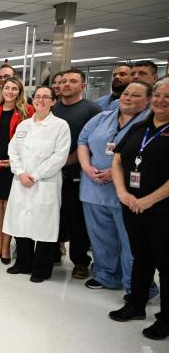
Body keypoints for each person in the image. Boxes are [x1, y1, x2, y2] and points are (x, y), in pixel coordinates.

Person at [108, 78, 169, 340]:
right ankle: (136, 304)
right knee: (140, 256)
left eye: (167, 97)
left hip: (162, 208)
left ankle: (166, 319)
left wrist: (149, 200)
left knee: (166, 264)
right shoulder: (139, 128)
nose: (160, 100)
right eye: (157, 95)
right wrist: (122, 192)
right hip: (132, 205)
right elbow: (118, 160)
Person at [78, 82, 152, 294]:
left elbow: (147, 155)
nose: (127, 98)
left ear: (147, 100)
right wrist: (87, 167)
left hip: (128, 191)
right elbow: (83, 141)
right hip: (93, 187)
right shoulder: (102, 118)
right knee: (101, 237)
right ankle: (106, 275)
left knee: (131, 242)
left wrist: (115, 171)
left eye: (135, 95)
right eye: (126, 93)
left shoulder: (148, 124)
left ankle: (135, 287)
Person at [3, 86, 71, 282]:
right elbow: (12, 150)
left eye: (45, 97)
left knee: (44, 226)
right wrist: (21, 172)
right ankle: (23, 263)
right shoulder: (24, 125)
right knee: (21, 222)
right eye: (37, 97)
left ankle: (42, 269)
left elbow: (60, 156)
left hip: (45, 182)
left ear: (53, 101)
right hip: (21, 181)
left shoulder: (60, 126)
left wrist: (35, 175)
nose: (40, 100)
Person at [52, 69, 102, 279]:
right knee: (53, 216)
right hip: (52, 174)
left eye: (72, 81)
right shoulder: (53, 109)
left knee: (77, 220)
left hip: (77, 174)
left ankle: (80, 261)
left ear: (83, 86)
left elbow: (93, 144)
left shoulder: (92, 110)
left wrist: (63, 162)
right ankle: (52, 251)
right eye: (63, 81)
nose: (66, 85)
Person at [0, 77, 34, 264]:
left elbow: (30, 141)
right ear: (1, 90)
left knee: (10, 207)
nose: (10, 91)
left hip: (16, 168)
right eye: (7, 88)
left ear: (19, 91)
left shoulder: (27, 111)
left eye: (14, 88)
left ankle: (6, 246)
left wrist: (14, 162)